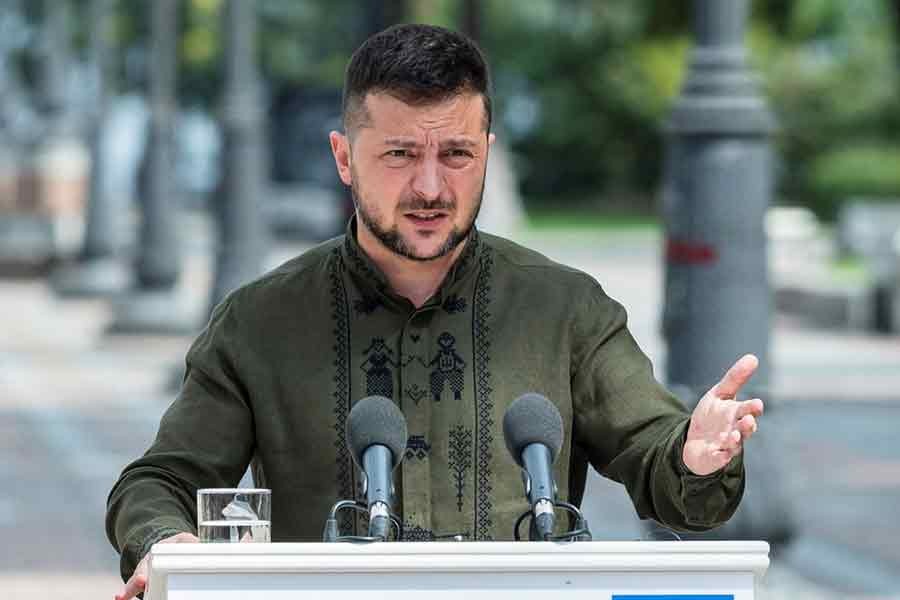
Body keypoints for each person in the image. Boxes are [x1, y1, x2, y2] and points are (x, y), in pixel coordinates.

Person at [107, 24, 764, 600]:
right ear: (344, 158)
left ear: (487, 154)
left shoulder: (566, 309)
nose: (429, 186)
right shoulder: (260, 321)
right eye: (399, 154)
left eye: (456, 154)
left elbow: (659, 463)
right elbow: (159, 482)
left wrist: (694, 456)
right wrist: (169, 544)